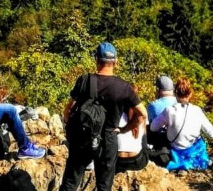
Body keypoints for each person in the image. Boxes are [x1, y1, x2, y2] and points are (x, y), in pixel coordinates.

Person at [59, 42, 147, 191]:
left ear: (97, 60)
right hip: (108, 138)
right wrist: (124, 129)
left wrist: (70, 126)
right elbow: (142, 114)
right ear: (115, 62)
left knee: (70, 183)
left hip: (83, 136)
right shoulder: (124, 87)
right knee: (104, 186)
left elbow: (68, 110)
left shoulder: (84, 80)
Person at [149, 77, 213, 171]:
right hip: (193, 150)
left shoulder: (169, 110)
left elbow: (152, 128)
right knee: (200, 140)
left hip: (175, 150)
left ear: (175, 93)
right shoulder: (197, 110)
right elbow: (212, 134)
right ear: (190, 94)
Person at [115, 88, 149, 173]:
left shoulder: (115, 114)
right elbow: (144, 138)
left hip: (118, 161)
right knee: (144, 140)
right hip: (137, 161)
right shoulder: (142, 114)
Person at [146, 74, 176, 149]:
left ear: (157, 89)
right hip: (178, 141)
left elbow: (148, 125)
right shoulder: (180, 103)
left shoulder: (152, 106)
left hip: (159, 143)